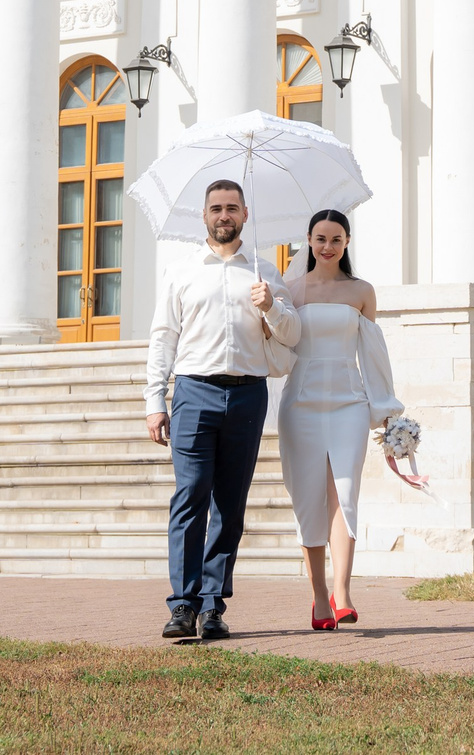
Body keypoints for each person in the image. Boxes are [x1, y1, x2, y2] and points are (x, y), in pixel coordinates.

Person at [144, 178, 298, 642]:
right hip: (193, 392)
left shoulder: (265, 272)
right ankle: (182, 605)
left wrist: (271, 305)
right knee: (189, 497)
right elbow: (163, 337)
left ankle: (213, 606)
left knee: (229, 506)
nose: (224, 215)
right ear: (204, 215)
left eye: (232, 207)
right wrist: (155, 401)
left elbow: (292, 336)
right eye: (216, 208)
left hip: (249, 395)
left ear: (245, 215)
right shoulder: (182, 271)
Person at [277, 208, 401, 630]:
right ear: (308, 242)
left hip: (350, 403)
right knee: (308, 497)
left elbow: (373, 354)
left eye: (335, 239)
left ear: (347, 243)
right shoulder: (290, 290)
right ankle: (318, 597)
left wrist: (384, 408)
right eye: (319, 238)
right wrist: (265, 308)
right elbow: (279, 346)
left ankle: (343, 591)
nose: (327, 246)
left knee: (344, 491)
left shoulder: (362, 291)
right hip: (301, 405)